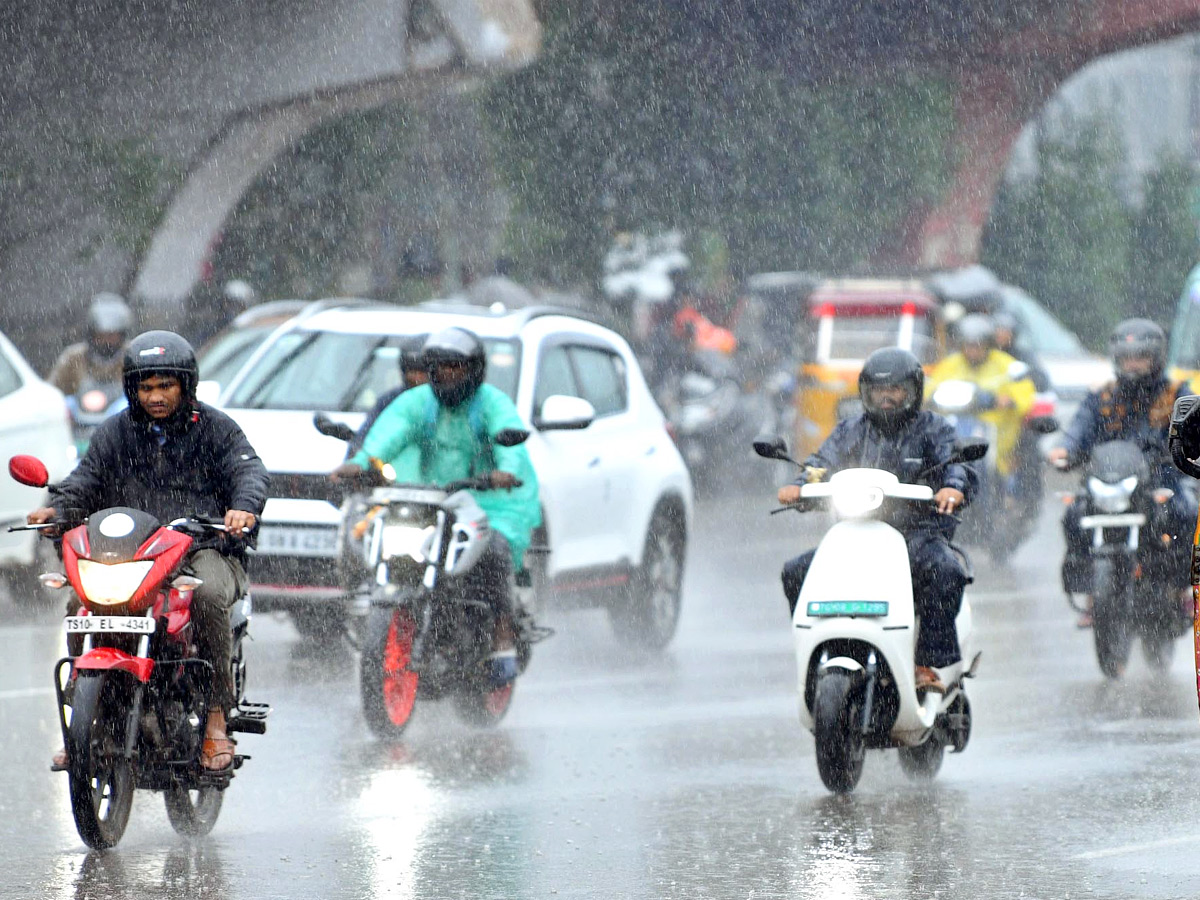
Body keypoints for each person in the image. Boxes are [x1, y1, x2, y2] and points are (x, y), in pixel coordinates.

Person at [29, 330, 268, 771]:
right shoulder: (116, 432)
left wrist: (242, 508)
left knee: (209, 596)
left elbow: (248, 471)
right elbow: (86, 479)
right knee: (80, 600)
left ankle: (216, 716)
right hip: (131, 552)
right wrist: (58, 508)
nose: (155, 396)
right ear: (132, 390)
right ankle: (87, 719)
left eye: (165, 386)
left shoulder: (216, 429)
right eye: (145, 387)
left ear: (185, 385)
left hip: (202, 547)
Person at [330, 327, 541, 686]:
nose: (447, 376)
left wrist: (505, 472)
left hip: (493, 498)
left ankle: (502, 635)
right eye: (439, 368)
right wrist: (362, 462)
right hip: (435, 495)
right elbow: (389, 432)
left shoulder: (491, 402)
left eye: (456, 368)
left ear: (474, 370)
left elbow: (510, 438)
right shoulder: (418, 402)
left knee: (495, 550)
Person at [778, 348, 977, 694]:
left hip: (917, 533)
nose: (887, 397)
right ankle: (816, 652)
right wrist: (800, 485)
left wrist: (952, 487)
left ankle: (925, 662)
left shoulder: (934, 429)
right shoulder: (851, 430)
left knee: (947, 571)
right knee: (795, 571)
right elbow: (821, 463)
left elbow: (957, 465)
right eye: (878, 390)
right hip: (855, 533)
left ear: (913, 390)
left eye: (896, 389)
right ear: (865, 392)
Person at [1047, 318, 1196, 628]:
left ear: (1156, 358)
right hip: (1109, 481)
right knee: (1074, 515)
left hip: (1162, 477)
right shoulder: (1102, 395)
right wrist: (1065, 449)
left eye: (1140, 357)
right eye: (1127, 358)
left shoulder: (1176, 393)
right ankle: (1091, 594)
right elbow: (1079, 429)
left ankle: (1180, 589)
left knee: (1186, 512)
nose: (1133, 364)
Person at [926, 314, 1036, 482]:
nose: (973, 351)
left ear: (988, 345)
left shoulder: (1005, 364)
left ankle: (1009, 494)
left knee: (1020, 461)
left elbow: (1025, 392)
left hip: (996, 433)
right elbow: (930, 389)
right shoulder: (950, 364)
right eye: (968, 346)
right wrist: (929, 398)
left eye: (978, 346)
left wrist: (1009, 400)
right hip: (958, 425)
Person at [345, 343, 430, 458]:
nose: (417, 377)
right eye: (412, 371)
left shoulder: (444, 401)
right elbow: (369, 431)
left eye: (422, 372)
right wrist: (357, 445)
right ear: (403, 373)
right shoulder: (389, 400)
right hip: (394, 462)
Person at [48, 293, 134, 396]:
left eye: (112, 336)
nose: (107, 341)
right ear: (91, 334)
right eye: (101, 335)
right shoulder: (73, 358)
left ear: (122, 335)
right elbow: (51, 392)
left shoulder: (133, 357)